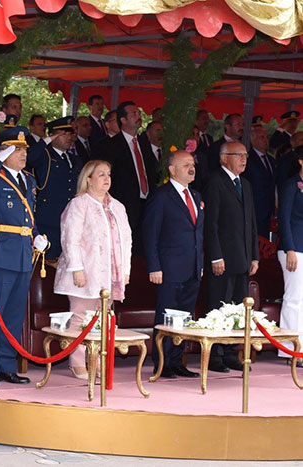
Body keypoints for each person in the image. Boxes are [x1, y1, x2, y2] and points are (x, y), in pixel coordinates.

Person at [0, 126, 49, 386]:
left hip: (23, 254)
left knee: (14, 315)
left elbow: (28, 216)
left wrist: (36, 235)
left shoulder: (28, 180)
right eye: (17, 149)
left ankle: (7, 365)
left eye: (25, 149)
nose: (23, 153)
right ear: (4, 152)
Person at [54, 160, 131, 379]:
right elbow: (70, 238)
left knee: (101, 319)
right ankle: (77, 363)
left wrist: (125, 270)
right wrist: (77, 268)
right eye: (101, 174)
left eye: (109, 174)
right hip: (84, 272)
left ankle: (95, 361)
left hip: (109, 275)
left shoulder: (117, 206)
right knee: (81, 317)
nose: (107, 178)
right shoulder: (79, 204)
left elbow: (127, 240)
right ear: (88, 179)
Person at [143, 151, 203, 379]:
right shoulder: (161, 196)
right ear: (172, 170)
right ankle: (162, 363)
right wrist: (154, 266)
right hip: (168, 269)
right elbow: (150, 234)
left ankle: (177, 361)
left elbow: (198, 234)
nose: (191, 168)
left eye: (192, 164)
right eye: (185, 164)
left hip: (192, 268)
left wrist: (200, 263)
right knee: (166, 317)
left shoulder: (196, 195)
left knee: (185, 318)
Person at [203, 141, 259, 372]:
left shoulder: (245, 184)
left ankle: (230, 352)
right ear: (224, 158)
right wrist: (216, 256)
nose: (244, 159)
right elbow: (211, 224)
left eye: (245, 155)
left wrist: (254, 256)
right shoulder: (215, 182)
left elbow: (251, 223)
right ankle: (214, 355)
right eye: (238, 155)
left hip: (242, 258)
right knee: (218, 305)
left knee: (237, 307)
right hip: (223, 260)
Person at [101, 101, 158, 255]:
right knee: (124, 250)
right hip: (124, 205)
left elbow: (151, 171)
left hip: (147, 204)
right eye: (134, 113)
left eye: (138, 113)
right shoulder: (111, 145)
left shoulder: (144, 143)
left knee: (145, 248)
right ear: (123, 120)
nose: (138, 115)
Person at [26, 116, 83, 261]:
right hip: (48, 220)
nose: (69, 137)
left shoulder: (73, 159)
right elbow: (30, 158)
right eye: (64, 134)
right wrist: (47, 140)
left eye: (70, 134)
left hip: (69, 221)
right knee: (46, 263)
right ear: (53, 135)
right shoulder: (45, 155)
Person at [277, 150, 303, 364]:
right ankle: (289, 349)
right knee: (294, 298)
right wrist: (290, 249)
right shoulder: (291, 185)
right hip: (293, 248)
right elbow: (283, 219)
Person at [243, 126, 276, 237]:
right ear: (252, 140)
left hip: (269, 209)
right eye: (262, 137)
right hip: (254, 209)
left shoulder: (271, 160)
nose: (266, 140)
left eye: (267, 137)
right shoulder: (248, 160)